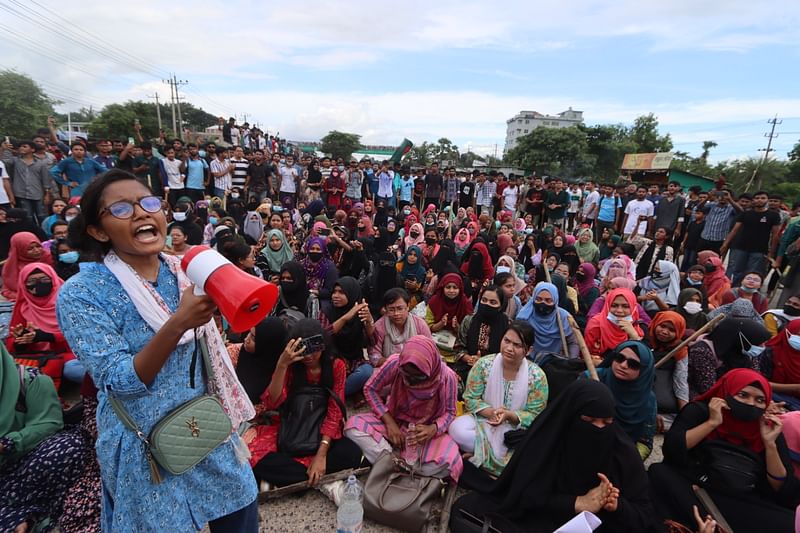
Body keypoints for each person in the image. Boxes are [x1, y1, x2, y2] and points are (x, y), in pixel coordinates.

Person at [55, 170, 258, 532]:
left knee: (241, 502)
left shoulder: (185, 271)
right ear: (98, 231)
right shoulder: (82, 293)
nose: (141, 213)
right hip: (144, 443)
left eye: (148, 203)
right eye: (121, 209)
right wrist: (178, 323)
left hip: (204, 424)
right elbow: (119, 381)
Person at [450, 380, 657, 533]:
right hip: (544, 518)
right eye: (589, 420)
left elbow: (644, 516)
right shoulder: (549, 439)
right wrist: (577, 503)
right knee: (468, 510)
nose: (599, 429)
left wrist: (616, 506)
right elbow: (524, 495)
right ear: (570, 416)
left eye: (607, 422)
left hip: (600, 525)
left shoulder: (622, 453)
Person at [649, 369, 798, 532]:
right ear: (727, 391)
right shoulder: (701, 411)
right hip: (697, 489)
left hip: (742, 499)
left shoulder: (768, 428)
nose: (750, 403)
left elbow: (782, 488)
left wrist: (770, 445)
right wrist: (712, 423)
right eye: (743, 395)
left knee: (791, 523)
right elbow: (672, 451)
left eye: (760, 400)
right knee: (659, 473)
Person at [246, 319, 362, 488]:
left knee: (352, 454)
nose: (308, 356)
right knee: (254, 455)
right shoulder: (292, 366)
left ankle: (293, 479)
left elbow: (334, 412)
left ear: (322, 344)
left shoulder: (336, 365)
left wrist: (321, 454)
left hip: (323, 432)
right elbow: (272, 401)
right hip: (293, 427)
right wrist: (282, 364)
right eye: (303, 350)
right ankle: (313, 478)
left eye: (313, 349)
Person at [345, 335, 463, 480]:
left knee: (449, 462)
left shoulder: (446, 377)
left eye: (418, 378)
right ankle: (396, 462)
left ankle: (390, 464)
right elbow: (370, 389)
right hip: (395, 419)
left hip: (423, 431)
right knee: (352, 428)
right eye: (407, 375)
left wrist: (433, 429)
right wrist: (390, 423)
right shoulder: (395, 362)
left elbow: (451, 412)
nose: (411, 382)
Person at [0, 345, 85, 533]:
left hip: (21, 468)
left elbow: (49, 424)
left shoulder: (31, 380)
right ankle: (15, 519)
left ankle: (26, 514)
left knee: (69, 448)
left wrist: (9, 442)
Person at [449, 321, 548, 478]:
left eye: (517, 345)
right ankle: (489, 457)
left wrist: (509, 416)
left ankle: (480, 456)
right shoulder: (484, 365)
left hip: (515, 429)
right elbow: (470, 398)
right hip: (484, 419)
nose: (509, 348)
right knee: (456, 430)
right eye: (506, 341)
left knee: (535, 448)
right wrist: (491, 413)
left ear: (528, 350)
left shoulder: (537, 377)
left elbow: (536, 414)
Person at [6, 262, 85, 388]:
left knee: (72, 370)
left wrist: (48, 336)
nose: (39, 284)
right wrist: (22, 340)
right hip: (41, 360)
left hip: (70, 356)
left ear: (53, 279)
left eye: (44, 279)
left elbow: (83, 334)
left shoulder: (68, 301)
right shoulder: (23, 307)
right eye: (32, 281)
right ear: (23, 284)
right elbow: (11, 341)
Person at [594, 340, 657, 459]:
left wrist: (629, 463)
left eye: (633, 364)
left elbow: (645, 442)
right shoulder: (592, 379)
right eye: (619, 358)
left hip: (621, 453)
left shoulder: (648, 399)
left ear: (644, 371)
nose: (623, 365)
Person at [687, 316, 771, 398]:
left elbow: (755, 379)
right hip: (704, 396)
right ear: (741, 339)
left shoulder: (746, 351)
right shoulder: (703, 351)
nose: (762, 347)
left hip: (739, 395)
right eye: (759, 343)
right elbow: (707, 388)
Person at [320, 277, 375, 397]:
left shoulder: (360, 312)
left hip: (354, 359)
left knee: (367, 372)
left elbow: (372, 341)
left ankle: (337, 394)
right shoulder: (326, 311)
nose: (335, 295)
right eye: (334, 292)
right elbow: (322, 338)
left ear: (352, 294)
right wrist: (345, 318)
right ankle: (345, 393)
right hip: (331, 360)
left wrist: (369, 321)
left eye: (341, 292)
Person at [229, 317, 288, 404]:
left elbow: (272, 401)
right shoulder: (234, 353)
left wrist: (282, 366)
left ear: (267, 344)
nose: (246, 339)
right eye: (249, 333)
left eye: (253, 338)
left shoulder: (279, 368)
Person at [368, 288, 433, 367]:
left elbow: (430, 350)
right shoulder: (379, 326)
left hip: (416, 368)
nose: (396, 313)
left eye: (400, 309)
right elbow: (374, 357)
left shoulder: (420, 324)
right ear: (385, 309)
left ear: (408, 306)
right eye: (391, 310)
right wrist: (399, 362)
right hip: (389, 368)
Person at [456, 285, 510, 380]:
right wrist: (470, 359)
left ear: (500, 306)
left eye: (493, 302)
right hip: (468, 368)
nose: (487, 304)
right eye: (484, 300)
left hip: (497, 371)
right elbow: (459, 347)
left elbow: (508, 353)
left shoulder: (507, 325)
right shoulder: (469, 320)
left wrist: (484, 363)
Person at [647, 311, 690, 428]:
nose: (665, 332)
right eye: (662, 326)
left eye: (671, 330)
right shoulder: (643, 341)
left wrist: (684, 413)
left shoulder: (680, 350)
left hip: (666, 402)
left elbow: (681, 381)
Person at [517, 281, 579, 359]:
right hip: (528, 360)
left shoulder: (563, 317)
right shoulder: (525, 316)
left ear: (555, 301)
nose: (543, 303)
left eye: (548, 300)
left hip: (554, 361)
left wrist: (570, 361)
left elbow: (573, 343)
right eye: (539, 299)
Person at [584, 288, 644, 361]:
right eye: (614, 305)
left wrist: (634, 336)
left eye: (625, 306)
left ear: (633, 307)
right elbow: (591, 357)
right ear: (607, 305)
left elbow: (641, 358)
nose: (619, 310)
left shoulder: (635, 324)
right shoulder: (596, 325)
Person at [425, 273, 473, 362]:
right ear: (443, 288)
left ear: (460, 289)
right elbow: (427, 326)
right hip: (436, 341)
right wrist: (441, 324)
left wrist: (457, 327)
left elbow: (468, 332)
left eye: (455, 287)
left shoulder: (465, 304)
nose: (451, 290)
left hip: (456, 345)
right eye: (448, 287)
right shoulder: (434, 301)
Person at [762, 319, 800, 411]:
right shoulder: (771, 352)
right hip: (774, 398)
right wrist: (794, 388)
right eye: (798, 334)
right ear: (787, 332)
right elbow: (759, 382)